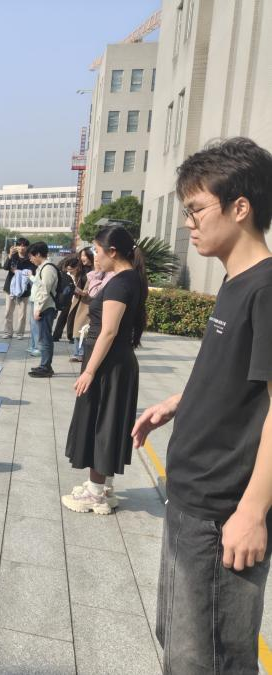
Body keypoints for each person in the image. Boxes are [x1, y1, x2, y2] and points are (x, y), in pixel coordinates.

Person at [131, 138, 272, 673]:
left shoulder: (266, 289)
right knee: (180, 644)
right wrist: (178, 401)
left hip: (223, 511)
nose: (189, 223)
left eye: (196, 209)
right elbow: (240, 375)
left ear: (241, 207)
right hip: (192, 498)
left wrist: (252, 512)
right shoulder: (237, 283)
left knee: (208, 659)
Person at [61, 224, 147, 515]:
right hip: (114, 361)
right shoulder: (128, 278)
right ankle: (101, 486)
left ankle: (95, 492)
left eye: (97, 251)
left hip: (108, 363)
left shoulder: (121, 283)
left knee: (102, 422)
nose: (94, 257)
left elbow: (108, 332)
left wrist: (89, 371)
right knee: (106, 421)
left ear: (112, 252)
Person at [28, 242, 59, 378]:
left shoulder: (48, 269)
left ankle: (46, 367)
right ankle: (44, 365)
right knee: (43, 337)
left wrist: (38, 309)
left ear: (38, 254)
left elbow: (45, 291)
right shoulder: (43, 268)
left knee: (45, 338)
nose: (31, 259)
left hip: (46, 308)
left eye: (32, 256)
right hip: (44, 307)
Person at [1, 237, 36, 339]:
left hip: (24, 289)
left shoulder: (30, 258)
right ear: (16, 246)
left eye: (24, 246)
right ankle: (8, 332)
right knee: (8, 311)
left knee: (22, 313)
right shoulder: (13, 256)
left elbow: (33, 271)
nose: (22, 247)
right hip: (10, 288)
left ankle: (20, 333)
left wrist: (18, 272)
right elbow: (5, 267)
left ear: (27, 247)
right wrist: (9, 255)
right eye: (19, 245)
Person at [51, 257, 79, 342]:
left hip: (76, 299)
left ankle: (71, 336)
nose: (69, 271)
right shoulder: (66, 276)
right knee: (63, 317)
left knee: (71, 318)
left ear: (77, 267)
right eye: (68, 269)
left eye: (71, 269)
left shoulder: (80, 276)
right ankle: (56, 336)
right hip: (67, 299)